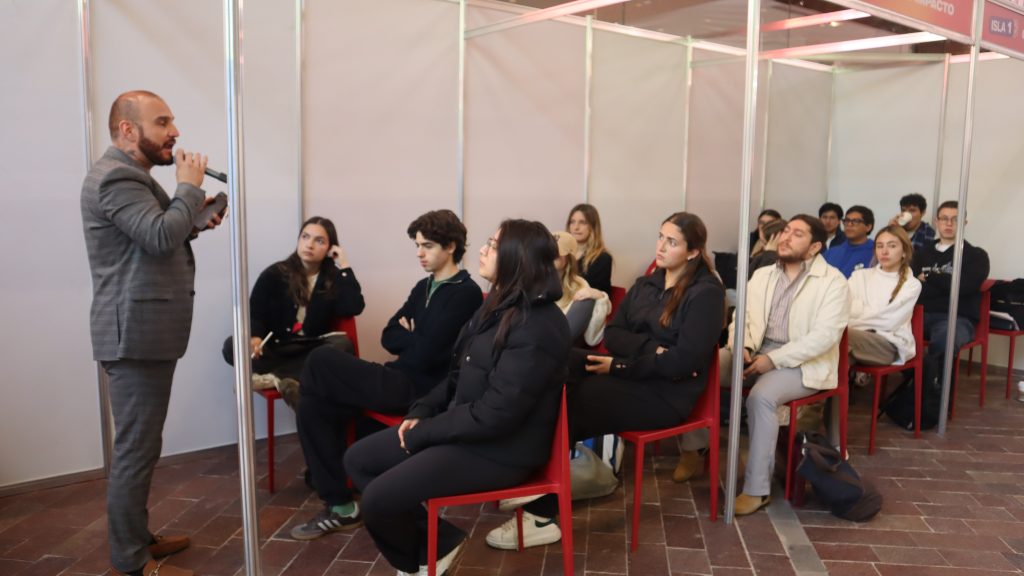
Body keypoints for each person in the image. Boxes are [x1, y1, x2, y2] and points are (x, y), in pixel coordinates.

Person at [344, 220, 571, 576]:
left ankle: (423, 559)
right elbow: (457, 374)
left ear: (517, 257)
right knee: (359, 460)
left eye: (493, 245)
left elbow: (496, 415)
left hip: (501, 451)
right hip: (468, 430)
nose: (482, 250)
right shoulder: (497, 303)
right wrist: (422, 410)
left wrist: (426, 432)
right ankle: (439, 544)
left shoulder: (538, 325)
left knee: (378, 500)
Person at [485, 212, 725, 550]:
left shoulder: (706, 293)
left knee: (572, 400)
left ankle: (541, 515)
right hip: (631, 373)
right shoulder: (648, 283)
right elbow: (613, 334)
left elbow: (682, 361)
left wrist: (621, 366)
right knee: (558, 364)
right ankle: (524, 469)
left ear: (693, 252)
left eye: (672, 242)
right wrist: (650, 349)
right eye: (660, 237)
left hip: (666, 395)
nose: (661, 246)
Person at [81, 90, 224, 576]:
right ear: (127, 129)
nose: (174, 132)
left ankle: (138, 538)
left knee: (143, 447)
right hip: (133, 335)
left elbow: (154, 236)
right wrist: (188, 189)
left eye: (172, 122)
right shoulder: (116, 177)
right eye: (162, 122)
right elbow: (161, 237)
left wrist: (195, 219)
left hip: (142, 332)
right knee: (136, 450)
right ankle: (131, 560)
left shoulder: (133, 177)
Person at [289, 209, 482, 541]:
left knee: (321, 358)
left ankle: (329, 469)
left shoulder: (465, 293)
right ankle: (341, 506)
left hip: (421, 390)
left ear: (451, 246)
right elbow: (388, 335)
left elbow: (426, 355)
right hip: (398, 374)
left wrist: (411, 337)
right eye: (417, 245)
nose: (419, 253)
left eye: (428, 246)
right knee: (312, 405)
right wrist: (414, 336)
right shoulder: (423, 286)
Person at [679, 216, 849, 515]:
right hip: (755, 351)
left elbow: (824, 337)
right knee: (698, 366)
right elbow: (741, 317)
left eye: (797, 234)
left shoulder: (833, 282)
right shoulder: (763, 275)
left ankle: (757, 490)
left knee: (761, 397)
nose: (786, 237)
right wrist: (742, 346)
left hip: (802, 363)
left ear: (814, 247)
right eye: (786, 231)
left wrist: (773, 360)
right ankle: (695, 447)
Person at [221, 216, 364, 406]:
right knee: (232, 345)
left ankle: (272, 378)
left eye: (319, 241)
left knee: (342, 345)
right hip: (275, 348)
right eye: (305, 237)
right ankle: (288, 377)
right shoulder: (275, 274)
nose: (309, 245)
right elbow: (255, 312)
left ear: (331, 249)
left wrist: (344, 266)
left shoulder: (333, 278)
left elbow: (353, 307)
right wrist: (255, 337)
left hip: (309, 349)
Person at [912, 201, 990, 384]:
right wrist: (947, 283)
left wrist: (929, 276)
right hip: (919, 314)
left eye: (955, 219)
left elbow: (965, 287)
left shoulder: (976, 255)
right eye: (944, 219)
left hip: (956, 318)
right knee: (888, 332)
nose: (949, 224)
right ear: (936, 221)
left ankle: (933, 393)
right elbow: (912, 288)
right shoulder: (921, 253)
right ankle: (913, 386)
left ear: (964, 223)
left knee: (944, 340)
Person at [847, 225, 922, 371]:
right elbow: (842, 309)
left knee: (836, 335)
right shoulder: (859, 276)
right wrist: (874, 313)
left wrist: (858, 312)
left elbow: (889, 322)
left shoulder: (911, 284)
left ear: (904, 251)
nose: (884, 251)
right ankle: (845, 384)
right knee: (837, 354)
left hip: (888, 344)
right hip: (855, 341)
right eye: (880, 246)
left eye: (892, 246)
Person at [552, 230, 611, 346]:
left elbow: (592, 339)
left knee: (586, 300)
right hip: (531, 341)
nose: (550, 256)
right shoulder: (532, 281)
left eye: (557, 252)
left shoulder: (580, 285)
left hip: (558, 345)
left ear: (568, 258)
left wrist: (600, 297)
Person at [566, 203, 613, 295]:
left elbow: (595, 296)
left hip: (584, 302)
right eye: (572, 222)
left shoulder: (602, 258)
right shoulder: (562, 254)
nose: (576, 227)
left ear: (593, 227)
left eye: (582, 222)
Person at [824, 205, 875, 277]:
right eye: (847, 221)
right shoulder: (831, 253)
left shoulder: (876, 252)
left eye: (856, 221)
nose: (849, 224)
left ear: (868, 227)